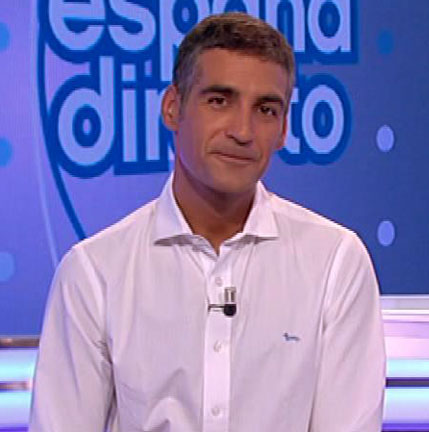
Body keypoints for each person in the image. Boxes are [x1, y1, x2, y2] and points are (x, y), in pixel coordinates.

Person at [29, 13, 385, 432]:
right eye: (219, 101)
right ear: (172, 107)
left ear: (284, 129)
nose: (242, 131)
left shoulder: (334, 261)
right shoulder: (95, 272)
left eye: (265, 109)